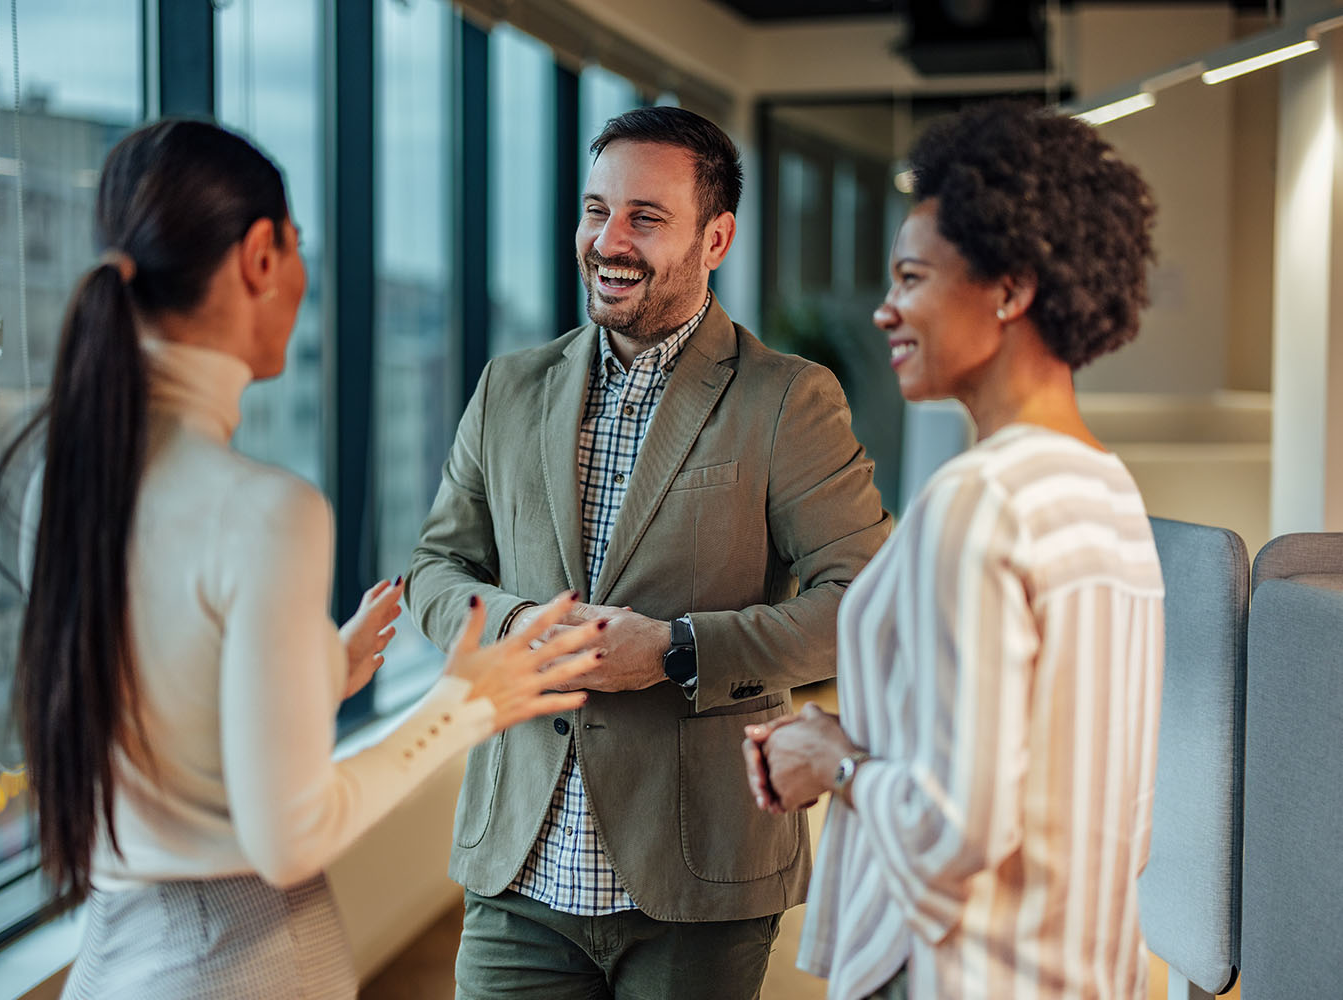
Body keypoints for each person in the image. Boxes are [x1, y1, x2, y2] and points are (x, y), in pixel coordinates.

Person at [0, 118, 606, 1000]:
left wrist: (321, 671)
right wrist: (467, 704)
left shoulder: (60, 481)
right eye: (300, 247)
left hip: (115, 962)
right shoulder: (268, 511)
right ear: (260, 257)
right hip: (240, 965)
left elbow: (166, 706)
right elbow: (290, 835)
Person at [405, 106, 891, 999]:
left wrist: (676, 650)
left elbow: (864, 603)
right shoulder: (508, 387)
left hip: (698, 881)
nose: (608, 240)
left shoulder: (787, 399)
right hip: (518, 872)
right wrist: (519, 626)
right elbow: (435, 569)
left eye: (644, 217)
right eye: (596, 210)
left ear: (717, 238)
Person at [743, 101, 1164, 1000]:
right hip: (1085, 967)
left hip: (967, 974)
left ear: (1010, 290)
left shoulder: (981, 500)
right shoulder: (1105, 490)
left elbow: (958, 826)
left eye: (911, 278)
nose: (884, 309)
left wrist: (831, 762)